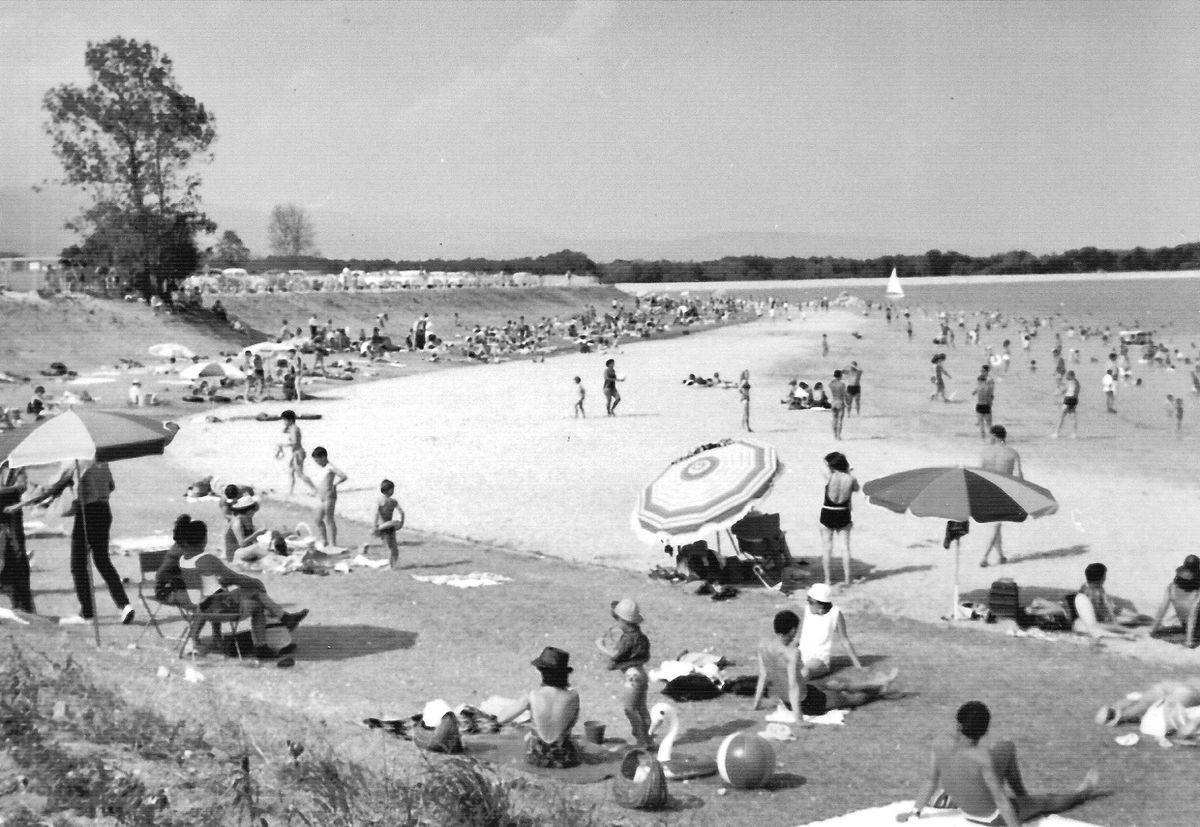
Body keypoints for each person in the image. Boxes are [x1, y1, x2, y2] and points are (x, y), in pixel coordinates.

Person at [901, 701, 1098, 826]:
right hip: (993, 818)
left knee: (1006, 747)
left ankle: (1024, 798)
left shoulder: (940, 742)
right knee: (1045, 801)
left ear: (958, 725)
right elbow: (1001, 800)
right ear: (985, 731)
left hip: (968, 810)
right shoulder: (982, 756)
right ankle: (1082, 793)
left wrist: (914, 813)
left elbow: (930, 781)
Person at [156, 516, 307, 659]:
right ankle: (268, 638)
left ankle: (281, 622)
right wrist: (254, 583)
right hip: (209, 606)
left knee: (248, 595)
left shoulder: (184, 555)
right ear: (203, 540)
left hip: (203, 604)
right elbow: (233, 577)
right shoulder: (203, 559)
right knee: (255, 595)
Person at [32, 460, 133, 626]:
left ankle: (87, 612)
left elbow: (54, 485)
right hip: (104, 510)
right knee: (102, 561)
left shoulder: (76, 460)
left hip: (87, 514)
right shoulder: (101, 459)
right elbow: (111, 486)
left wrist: (32, 498)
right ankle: (124, 605)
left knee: (78, 565)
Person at [752, 610, 896, 723]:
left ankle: (876, 683)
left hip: (795, 696)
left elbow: (763, 676)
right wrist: (799, 719)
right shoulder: (792, 653)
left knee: (835, 683)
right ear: (792, 630)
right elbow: (793, 687)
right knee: (848, 699)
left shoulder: (763, 645)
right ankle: (880, 691)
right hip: (806, 702)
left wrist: (756, 704)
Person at [497, 647, 581, 768]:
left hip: (536, 757)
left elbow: (501, 719)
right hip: (566, 758)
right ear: (565, 673)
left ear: (541, 670)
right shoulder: (573, 696)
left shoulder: (532, 695)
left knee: (520, 730)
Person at [595, 598, 652, 749]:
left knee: (630, 710)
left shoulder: (627, 638)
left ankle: (641, 741)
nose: (616, 623)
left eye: (618, 619)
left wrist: (601, 646)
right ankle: (648, 739)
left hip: (632, 677)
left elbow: (617, 656)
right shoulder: (641, 637)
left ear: (624, 621)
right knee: (642, 709)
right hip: (642, 674)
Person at [797, 583, 863, 681]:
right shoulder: (807, 610)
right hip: (800, 655)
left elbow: (844, 640)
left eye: (810, 602)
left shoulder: (835, 614)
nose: (808, 604)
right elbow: (801, 636)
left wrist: (858, 666)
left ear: (819, 604)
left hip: (819, 660)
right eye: (808, 601)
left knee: (804, 672)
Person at [978, 425, 1022, 567]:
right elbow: (1020, 477)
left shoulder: (985, 452)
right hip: (1004, 492)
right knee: (996, 525)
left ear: (994, 436)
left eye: (990, 436)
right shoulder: (1013, 453)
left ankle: (1001, 555)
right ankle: (984, 557)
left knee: (996, 525)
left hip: (987, 491)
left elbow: (980, 474)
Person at [1094, 677, 1200, 733]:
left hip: (1178, 691)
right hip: (1176, 690)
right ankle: (1124, 716)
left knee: (1151, 707)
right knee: (1149, 704)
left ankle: (1124, 716)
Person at [0, 459, 36, 614]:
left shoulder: (15, 464)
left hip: (11, 510)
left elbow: (21, 487)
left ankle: (23, 602)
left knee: (18, 553)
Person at [818, 451, 859, 588]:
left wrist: (828, 463)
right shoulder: (851, 479)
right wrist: (848, 471)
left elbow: (822, 466)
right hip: (843, 513)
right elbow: (856, 489)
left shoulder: (830, 476)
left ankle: (828, 580)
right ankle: (848, 579)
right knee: (845, 547)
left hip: (828, 512)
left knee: (826, 548)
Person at [1072, 562, 1138, 641]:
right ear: (1102, 577)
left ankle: (1124, 632)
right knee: (1094, 630)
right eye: (1104, 576)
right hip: (1088, 626)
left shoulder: (1099, 590)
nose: (1105, 578)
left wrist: (1129, 615)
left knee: (1135, 618)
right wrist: (1122, 630)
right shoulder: (1082, 598)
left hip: (1101, 623)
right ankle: (1123, 636)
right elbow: (1092, 626)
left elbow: (1109, 608)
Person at [1148, 558, 1200, 648]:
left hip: (1185, 627)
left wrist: (1153, 630)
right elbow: (1193, 615)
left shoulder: (1171, 588)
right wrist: (1189, 641)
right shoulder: (1197, 593)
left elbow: (1162, 610)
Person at [310, 446, 347, 549]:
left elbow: (343, 476)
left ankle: (333, 543)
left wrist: (335, 485)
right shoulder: (322, 469)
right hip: (321, 497)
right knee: (317, 519)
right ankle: (324, 540)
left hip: (329, 497)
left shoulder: (330, 467)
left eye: (317, 460)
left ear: (323, 457)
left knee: (329, 519)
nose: (317, 463)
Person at [274, 410, 316, 495]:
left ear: (289, 420)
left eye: (284, 420)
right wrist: (286, 429)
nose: (284, 422)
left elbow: (294, 442)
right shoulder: (293, 428)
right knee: (291, 472)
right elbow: (286, 432)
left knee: (300, 474)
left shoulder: (294, 429)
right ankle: (290, 492)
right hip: (296, 453)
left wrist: (282, 445)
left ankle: (315, 489)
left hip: (298, 453)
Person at [374, 478, 405, 569]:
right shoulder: (393, 502)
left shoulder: (379, 501)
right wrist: (401, 523)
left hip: (383, 526)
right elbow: (402, 512)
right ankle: (394, 564)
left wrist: (374, 526)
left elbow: (376, 513)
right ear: (390, 490)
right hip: (391, 526)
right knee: (394, 545)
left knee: (388, 546)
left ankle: (391, 566)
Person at [1055, 370, 1080, 438]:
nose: (1067, 377)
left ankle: (1057, 433)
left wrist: (1060, 391)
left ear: (1071, 376)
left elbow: (1067, 390)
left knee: (1062, 417)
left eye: (1068, 376)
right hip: (1074, 400)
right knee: (1073, 417)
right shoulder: (1077, 382)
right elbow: (1075, 391)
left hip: (1068, 399)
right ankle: (1074, 434)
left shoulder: (1071, 382)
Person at [972, 370, 995, 441]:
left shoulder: (978, 387)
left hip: (979, 406)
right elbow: (991, 397)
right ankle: (992, 439)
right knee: (989, 424)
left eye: (978, 381)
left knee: (981, 424)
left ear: (980, 380)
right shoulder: (989, 388)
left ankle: (983, 439)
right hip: (986, 406)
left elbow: (973, 393)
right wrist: (991, 405)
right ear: (985, 380)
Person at [828, 370, 848, 440]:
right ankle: (839, 436)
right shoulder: (842, 384)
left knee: (834, 419)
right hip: (840, 402)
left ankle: (835, 435)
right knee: (840, 420)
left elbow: (830, 385)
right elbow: (844, 394)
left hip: (833, 402)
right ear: (841, 376)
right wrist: (847, 403)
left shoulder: (831, 384)